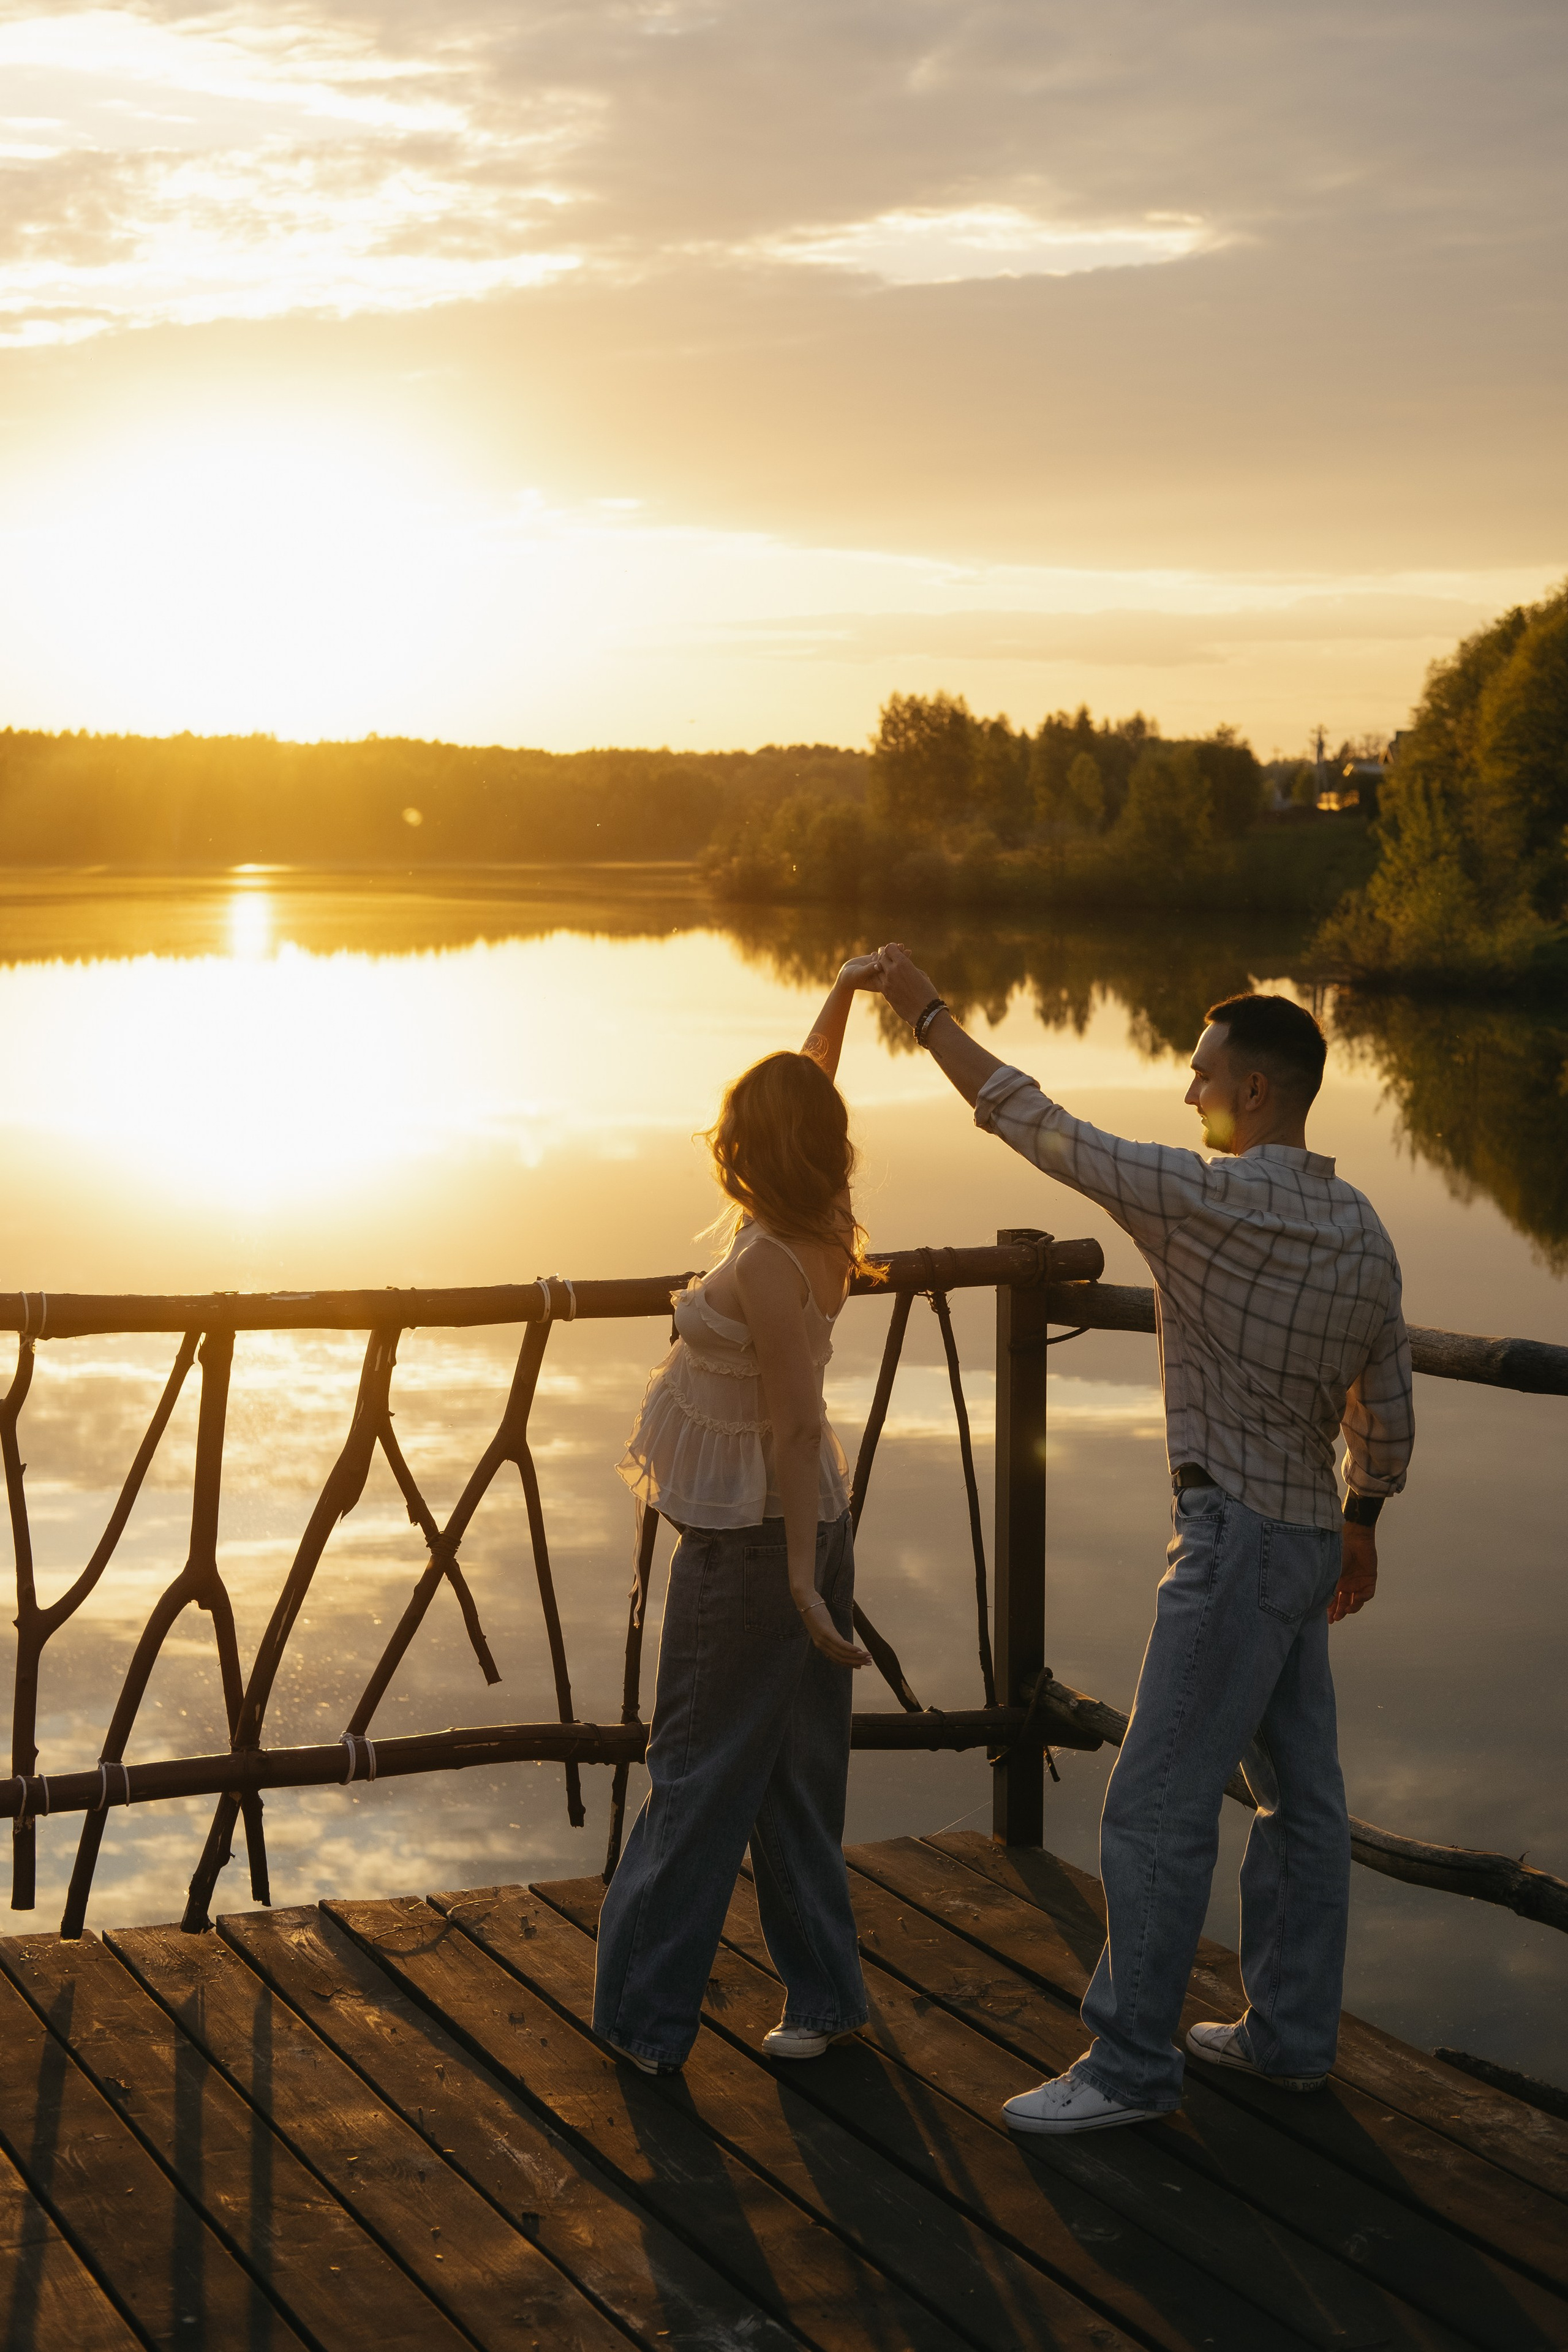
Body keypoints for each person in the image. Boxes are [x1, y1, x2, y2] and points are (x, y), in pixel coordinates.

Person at [875, 943, 1414, 2135]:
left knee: (1155, 1804)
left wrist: (922, 1011)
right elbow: (1388, 1401)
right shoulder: (1362, 1229)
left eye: (1200, 1074)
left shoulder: (1204, 1200)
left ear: (1254, 1092)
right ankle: (1284, 2038)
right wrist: (1361, 1517)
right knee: (1300, 1804)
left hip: (1230, 1549)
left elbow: (1032, 1123)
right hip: (1305, 1539)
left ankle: (1128, 2069)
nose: (1186, 1094)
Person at [592, 957, 884, 2075]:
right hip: (803, 1535)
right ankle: (824, 1999)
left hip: (761, 1550)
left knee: (697, 1783)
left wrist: (805, 1585)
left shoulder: (766, 1260)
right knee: (794, 1782)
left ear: (747, 1151)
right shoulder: (824, 1222)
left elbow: (797, 1430)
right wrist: (846, 992)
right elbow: (810, 1084)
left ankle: (644, 2027)